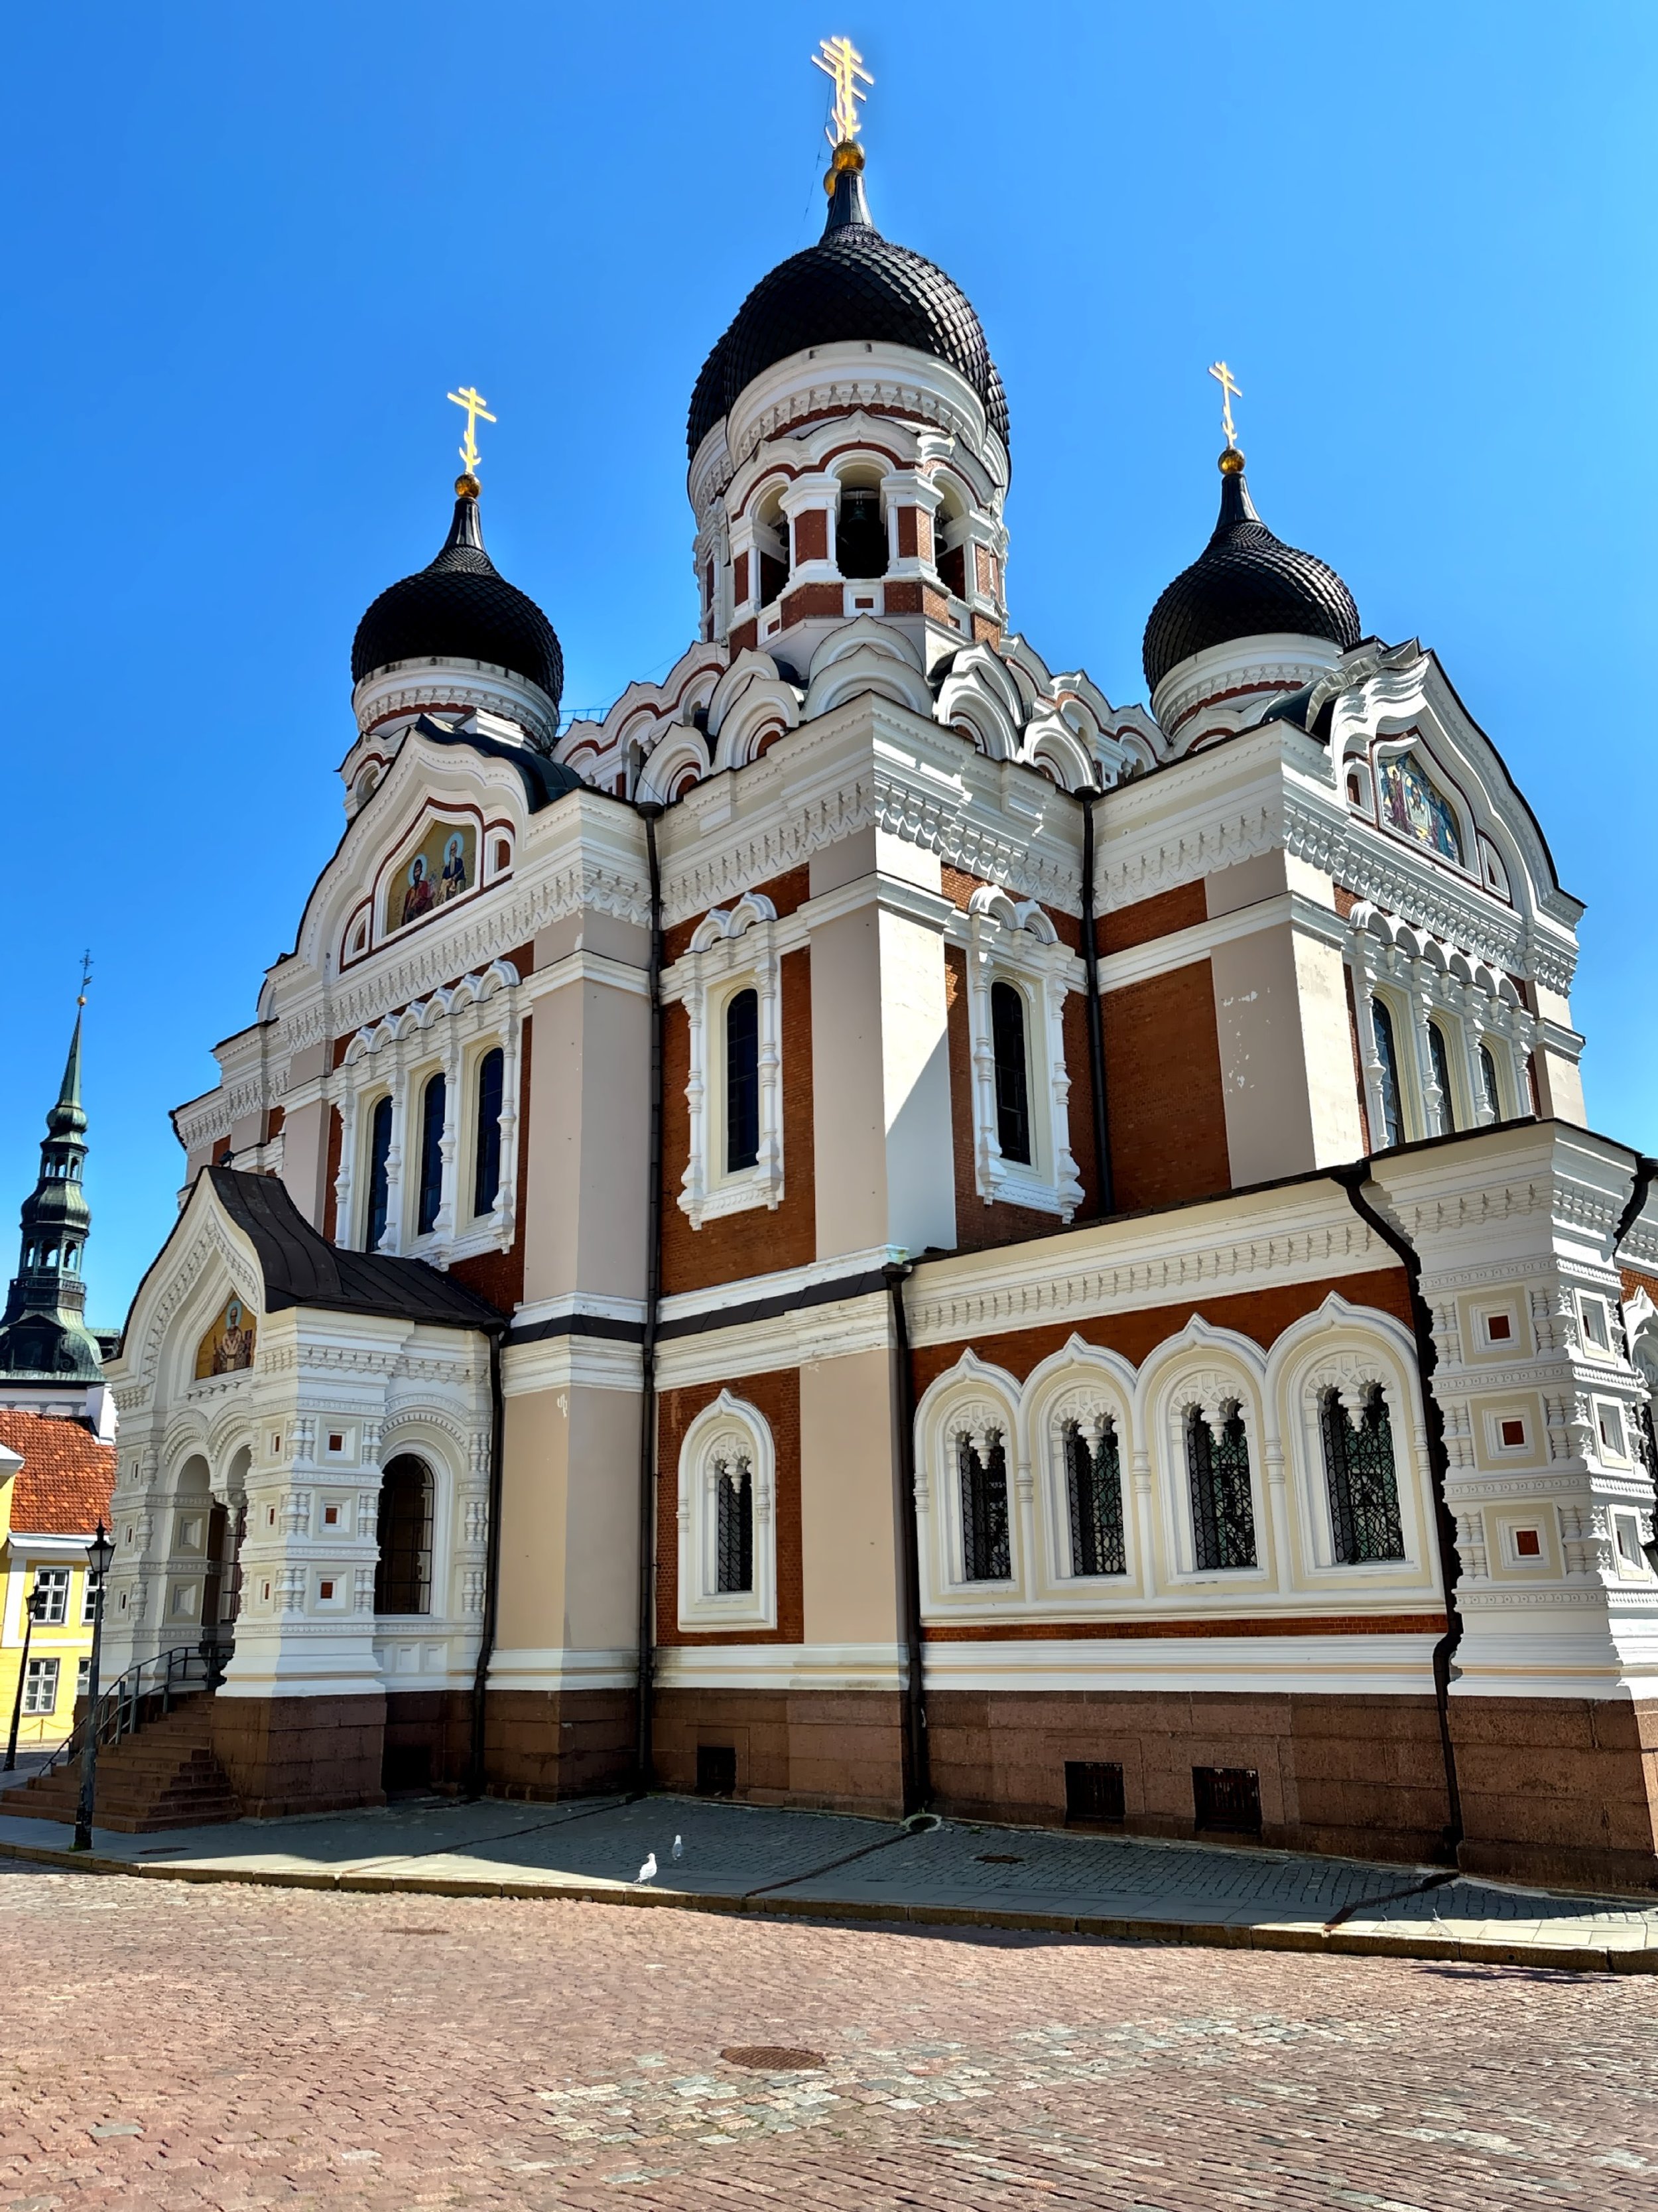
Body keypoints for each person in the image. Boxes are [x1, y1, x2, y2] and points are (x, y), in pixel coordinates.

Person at [401, 854, 434, 927]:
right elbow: (406, 911)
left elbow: (429, 899)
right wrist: (412, 903)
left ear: (422, 871)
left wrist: (419, 899)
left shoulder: (425, 885)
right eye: (416, 871)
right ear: (413, 874)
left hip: (424, 914)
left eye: (419, 871)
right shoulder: (410, 892)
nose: (417, 874)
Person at [440, 832, 469, 903]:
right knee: (445, 886)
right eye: (452, 850)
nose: (453, 852)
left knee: (459, 883)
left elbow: (460, 872)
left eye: (454, 850)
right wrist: (447, 881)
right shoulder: (447, 866)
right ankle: (445, 903)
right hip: (449, 882)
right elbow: (444, 877)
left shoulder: (459, 861)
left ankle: (459, 901)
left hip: (458, 880)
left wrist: (453, 879)